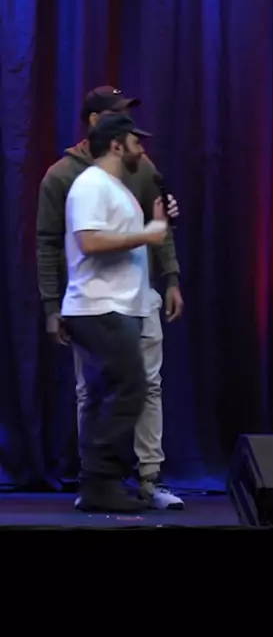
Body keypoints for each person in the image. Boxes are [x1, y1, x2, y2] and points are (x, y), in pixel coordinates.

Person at [36, 86, 185, 509]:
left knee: (135, 387)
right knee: (116, 389)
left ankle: (130, 481)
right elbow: (79, 241)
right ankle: (99, 480)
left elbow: (149, 228)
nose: (140, 142)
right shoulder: (81, 181)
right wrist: (52, 306)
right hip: (99, 303)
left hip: (132, 300)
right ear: (106, 132)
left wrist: (164, 243)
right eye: (132, 134)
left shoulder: (126, 178)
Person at [62, 112, 169, 512]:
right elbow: (89, 242)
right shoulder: (91, 184)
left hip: (114, 305)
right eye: (136, 143)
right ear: (116, 145)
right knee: (129, 389)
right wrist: (147, 233)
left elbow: (124, 239)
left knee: (105, 394)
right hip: (99, 306)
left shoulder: (114, 187)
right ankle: (101, 480)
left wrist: (157, 225)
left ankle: (97, 484)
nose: (142, 150)